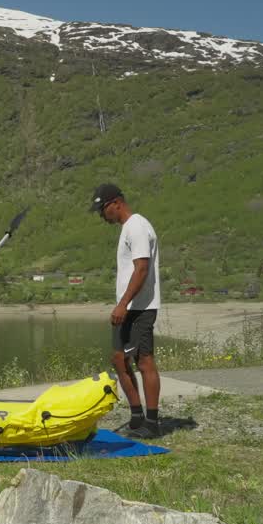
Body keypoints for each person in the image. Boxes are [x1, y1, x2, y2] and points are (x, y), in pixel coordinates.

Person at [90, 183, 162, 438]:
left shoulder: (137, 226)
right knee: (119, 359)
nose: (101, 215)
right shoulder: (127, 229)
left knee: (144, 361)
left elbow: (141, 269)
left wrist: (123, 304)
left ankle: (152, 423)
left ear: (116, 203)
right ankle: (136, 416)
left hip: (139, 307)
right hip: (127, 307)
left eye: (102, 209)